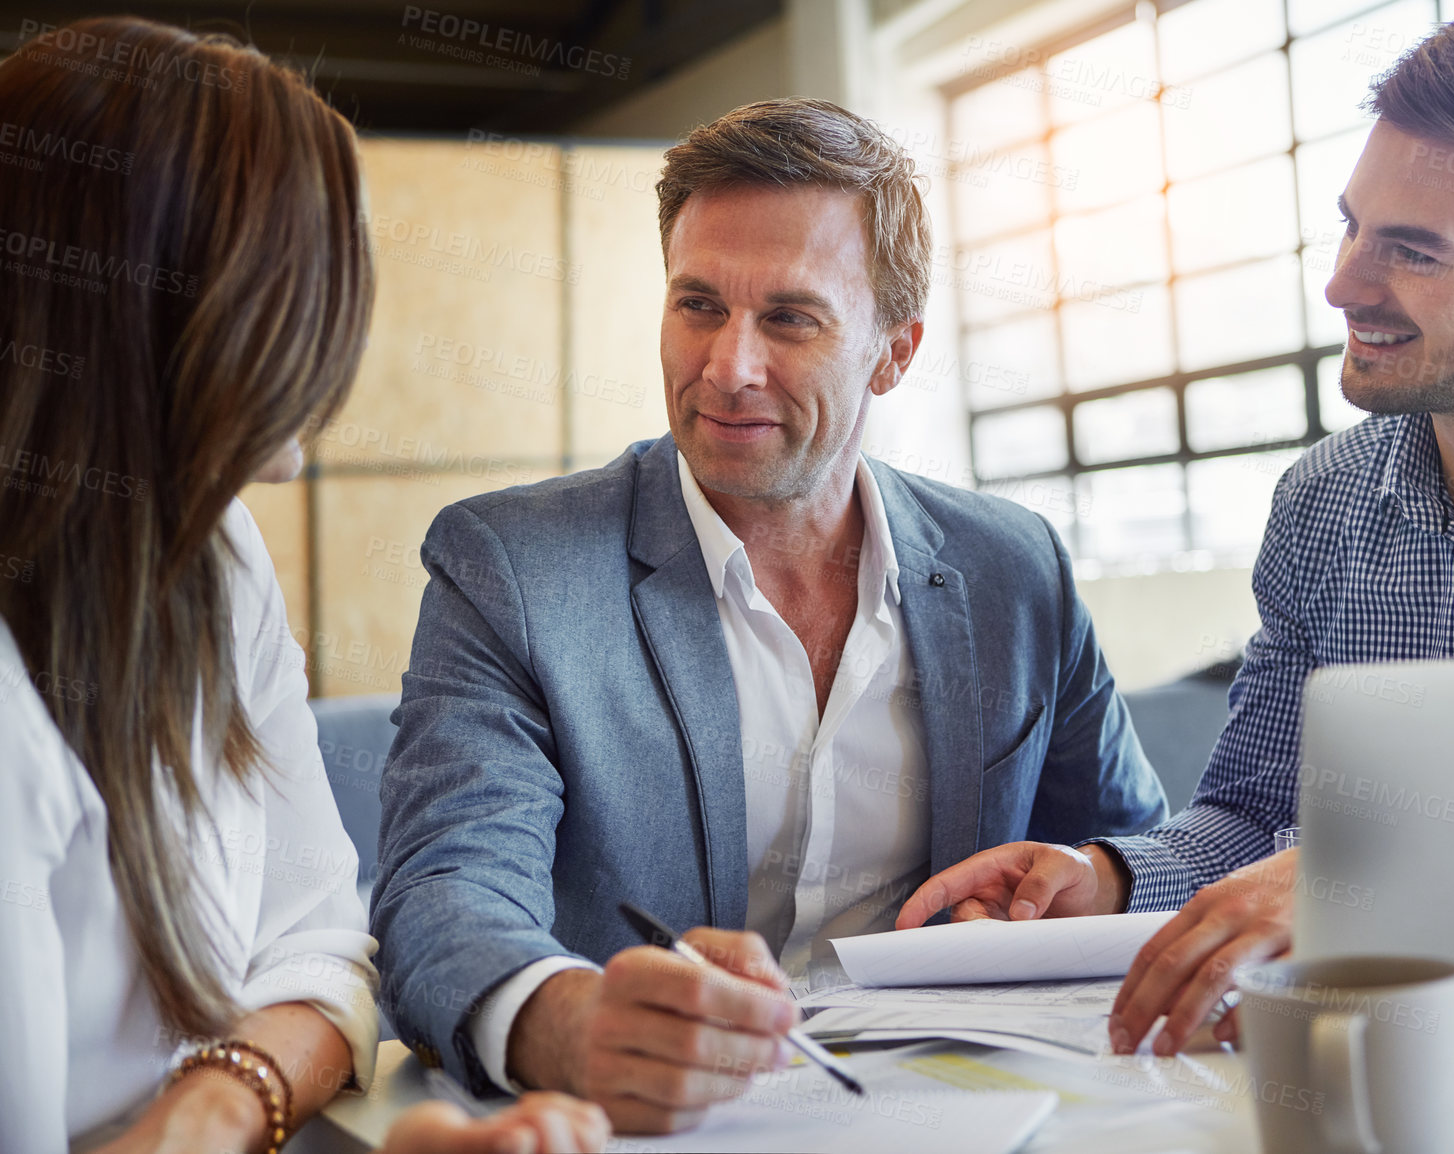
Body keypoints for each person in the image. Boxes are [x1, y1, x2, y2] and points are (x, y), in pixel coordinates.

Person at [898, 0, 1454, 1060]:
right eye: (1350, 225)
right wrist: (1103, 877)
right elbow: (1254, 812)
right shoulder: (1320, 503)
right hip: (1361, 1071)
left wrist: (1379, 879)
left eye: (1412, 253)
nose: (1341, 284)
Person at [370, 97, 1166, 1132]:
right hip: (651, 1120)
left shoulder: (1012, 567)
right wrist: (570, 1021)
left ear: (894, 351)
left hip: (958, 1111)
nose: (726, 367)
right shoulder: (514, 568)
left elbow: (1133, 849)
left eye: (789, 318)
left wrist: (1069, 891)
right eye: (697, 304)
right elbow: (442, 893)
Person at [0, 18, 606, 1153]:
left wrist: (222, 1097)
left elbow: (326, 939)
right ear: (164, 299)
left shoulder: (212, 548)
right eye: (306, 275)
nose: (337, 329)